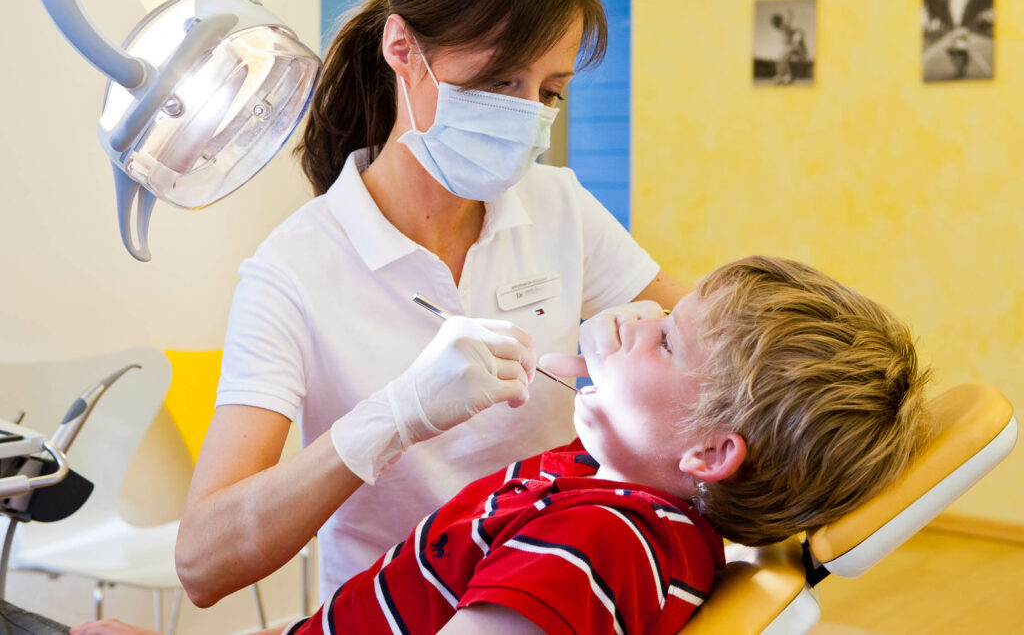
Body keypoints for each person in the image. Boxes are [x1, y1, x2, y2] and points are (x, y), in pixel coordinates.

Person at [174, 0, 686, 610]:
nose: (529, 115)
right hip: (386, 618)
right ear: (402, 49)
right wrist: (394, 416)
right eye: (499, 79)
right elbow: (203, 563)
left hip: (544, 600)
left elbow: (713, 349)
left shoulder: (558, 205)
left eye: (551, 92)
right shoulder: (293, 270)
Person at [77, 255, 929, 635]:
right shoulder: (592, 482)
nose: (637, 319)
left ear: (708, 456)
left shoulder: (600, 544)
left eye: (667, 340)